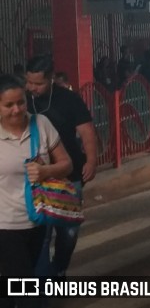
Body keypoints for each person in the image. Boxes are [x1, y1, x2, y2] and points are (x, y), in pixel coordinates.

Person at [25, 54, 99, 278]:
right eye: (29, 82)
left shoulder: (69, 99)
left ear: (51, 79)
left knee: (68, 232)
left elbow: (86, 131)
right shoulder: (23, 102)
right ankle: (44, 282)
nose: (32, 88)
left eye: (38, 83)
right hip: (36, 177)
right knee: (41, 234)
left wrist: (92, 160)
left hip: (69, 175)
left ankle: (59, 268)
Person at [0, 74, 71, 308]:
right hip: (5, 226)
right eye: (8, 105)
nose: (16, 109)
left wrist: (45, 171)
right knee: (23, 287)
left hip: (38, 221)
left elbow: (66, 164)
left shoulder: (41, 124)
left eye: (20, 102)